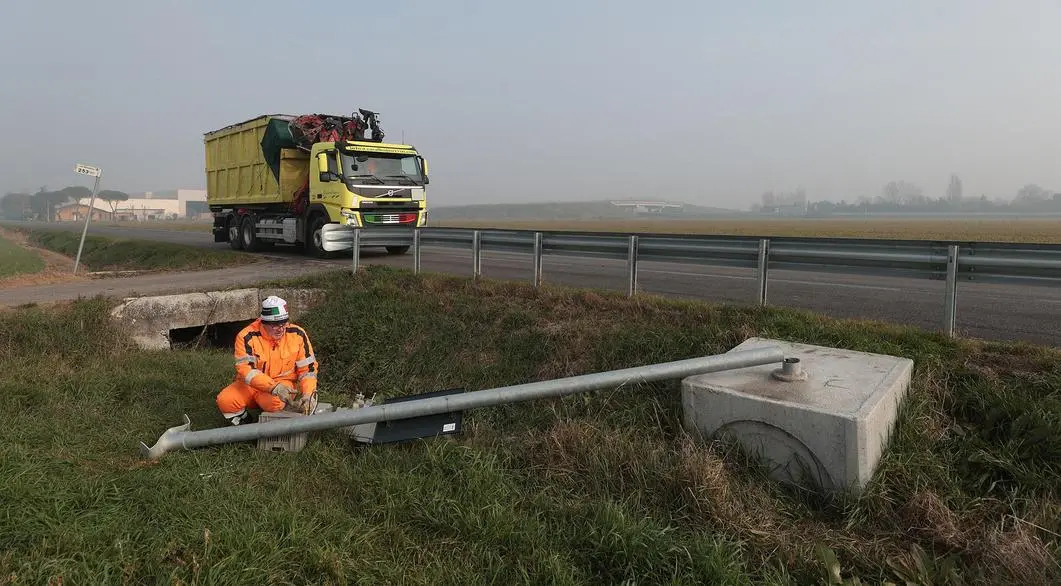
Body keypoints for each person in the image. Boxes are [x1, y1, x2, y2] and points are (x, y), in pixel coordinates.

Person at [216, 295, 319, 425]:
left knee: (275, 403)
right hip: (250, 385)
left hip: (283, 384)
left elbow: (308, 369)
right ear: (263, 322)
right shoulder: (246, 336)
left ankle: (273, 417)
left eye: (284, 323)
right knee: (225, 400)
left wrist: (308, 394)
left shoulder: (297, 334)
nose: (281, 328)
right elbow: (246, 370)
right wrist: (273, 387)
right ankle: (246, 426)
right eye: (275, 325)